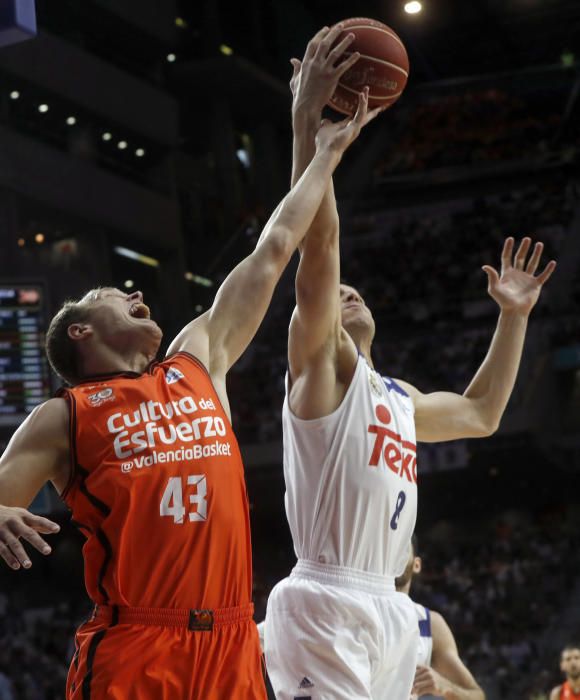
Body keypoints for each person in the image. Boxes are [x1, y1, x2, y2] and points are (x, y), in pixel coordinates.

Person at [0, 96, 380, 700]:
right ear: (80, 331)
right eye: (109, 292)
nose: (130, 290)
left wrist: (322, 151)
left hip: (231, 643)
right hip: (140, 647)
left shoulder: (197, 359)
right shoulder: (63, 417)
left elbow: (276, 245)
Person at [263, 25, 557, 700]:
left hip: (391, 609)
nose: (347, 289)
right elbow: (318, 243)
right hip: (327, 593)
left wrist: (513, 319)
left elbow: (483, 415)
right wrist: (309, 127)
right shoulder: (321, 371)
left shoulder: (398, 397)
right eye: (335, 293)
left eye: (354, 287)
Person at [395, 536, 485, 699]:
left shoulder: (430, 624)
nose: (395, 552)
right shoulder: (355, 609)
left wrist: (445, 686)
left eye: (402, 546)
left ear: (417, 565)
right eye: (391, 546)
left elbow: (477, 695)